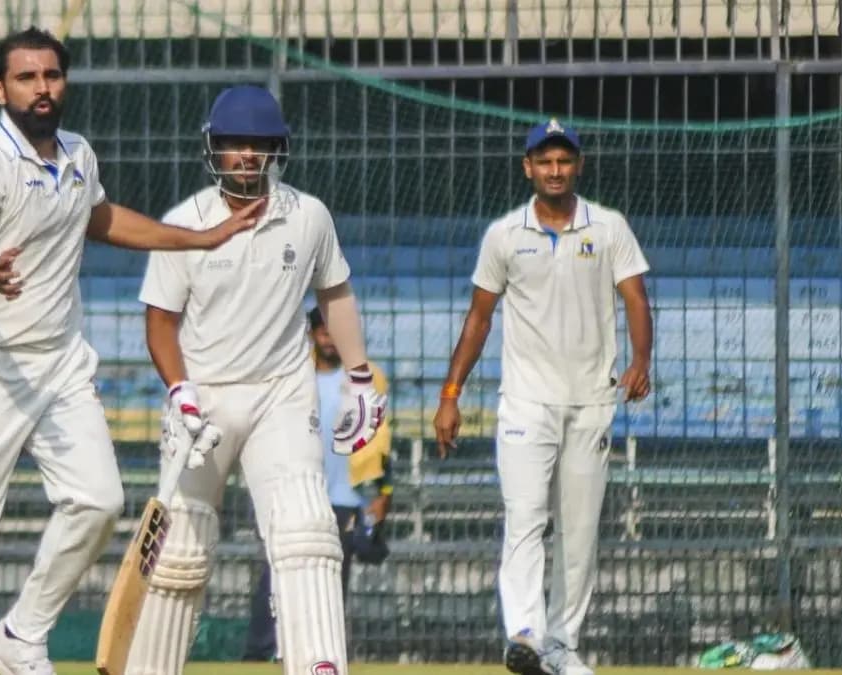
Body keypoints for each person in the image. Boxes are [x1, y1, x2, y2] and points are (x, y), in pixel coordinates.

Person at [0, 27, 258, 675]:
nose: (43, 88)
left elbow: (100, 220)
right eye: (26, 77)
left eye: (52, 75)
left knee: (100, 502)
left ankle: (20, 633)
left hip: (60, 364)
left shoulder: (77, 153)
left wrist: (201, 238)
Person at [125, 84, 388, 675]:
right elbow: (160, 324)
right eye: (233, 145)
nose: (246, 155)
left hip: (281, 394)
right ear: (214, 150)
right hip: (204, 400)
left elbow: (335, 294)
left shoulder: (308, 215)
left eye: (258, 145)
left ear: (276, 150)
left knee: (306, 531)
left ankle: (318, 664)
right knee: (181, 551)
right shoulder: (184, 223)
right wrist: (180, 391)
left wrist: (361, 377)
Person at [432, 118, 653, 675]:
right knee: (525, 517)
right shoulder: (505, 235)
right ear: (528, 167)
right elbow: (479, 319)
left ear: (577, 165)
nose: (555, 171)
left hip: (591, 400)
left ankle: (563, 644)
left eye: (564, 161)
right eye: (544, 161)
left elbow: (635, 298)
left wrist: (641, 361)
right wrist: (451, 395)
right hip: (527, 403)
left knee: (578, 530)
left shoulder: (608, 227)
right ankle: (525, 633)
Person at [243, 306, 394, 663]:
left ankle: (319, 654)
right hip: (296, 489)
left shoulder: (366, 379)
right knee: (278, 573)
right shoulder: (295, 377)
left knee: (331, 581)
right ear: (312, 334)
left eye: (334, 332)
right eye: (323, 332)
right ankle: (263, 652)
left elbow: (381, 439)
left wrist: (384, 493)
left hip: (345, 497)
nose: (329, 339)